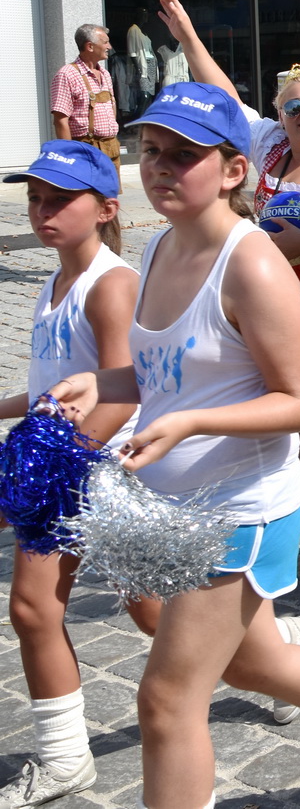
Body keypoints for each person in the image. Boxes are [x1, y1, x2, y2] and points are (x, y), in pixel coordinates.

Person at [48, 83, 300, 809]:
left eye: (184, 155)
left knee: (166, 700)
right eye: (151, 151)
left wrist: (193, 425)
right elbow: (170, 375)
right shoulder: (160, 246)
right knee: (254, 661)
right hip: (173, 507)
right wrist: (99, 383)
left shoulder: (250, 262)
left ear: (232, 170)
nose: (160, 167)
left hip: (239, 512)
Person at [157, 0, 300, 547]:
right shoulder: (272, 149)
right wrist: (187, 37)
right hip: (274, 299)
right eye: (293, 105)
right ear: (280, 114)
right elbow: (225, 96)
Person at [0, 143, 156, 808]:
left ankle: (276, 647)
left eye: (59, 199)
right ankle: (65, 758)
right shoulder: (54, 281)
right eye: (35, 197)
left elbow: (125, 392)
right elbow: (48, 388)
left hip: (102, 472)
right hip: (65, 471)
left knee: (158, 616)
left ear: (106, 208)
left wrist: (50, 470)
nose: (42, 211)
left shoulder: (111, 282)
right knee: (34, 608)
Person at [47, 24, 123, 186]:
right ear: (90, 46)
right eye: (105, 42)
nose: (109, 47)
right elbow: (60, 120)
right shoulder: (67, 74)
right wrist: (68, 157)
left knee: (109, 202)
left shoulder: (105, 74)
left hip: (111, 149)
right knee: (87, 199)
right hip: (85, 150)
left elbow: (112, 107)